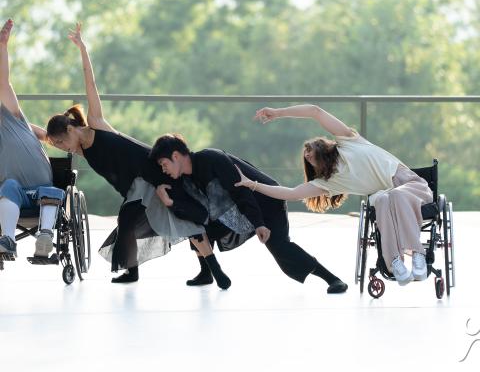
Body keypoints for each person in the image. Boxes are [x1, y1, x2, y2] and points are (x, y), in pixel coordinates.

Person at [46, 23, 230, 288]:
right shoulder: (81, 149)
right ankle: (132, 272)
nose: (63, 148)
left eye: (63, 141)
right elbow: (44, 135)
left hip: (155, 172)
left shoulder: (96, 122)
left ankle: (211, 270)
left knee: (184, 217)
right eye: (58, 146)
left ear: (72, 127)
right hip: (135, 187)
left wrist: (83, 49)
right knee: (127, 220)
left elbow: (91, 82)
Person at [234, 104, 432, 286]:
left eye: (309, 150)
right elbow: (291, 193)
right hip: (386, 199)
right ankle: (394, 262)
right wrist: (253, 184)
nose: (307, 155)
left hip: (411, 186)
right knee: (380, 199)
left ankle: (417, 254)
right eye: (306, 157)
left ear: (322, 146)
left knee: (393, 196)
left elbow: (315, 111)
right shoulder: (327, 183)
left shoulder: (349, 142)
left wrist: (277, 113)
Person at [150, 133, 348, 294]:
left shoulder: (211, 159)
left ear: (176, 156)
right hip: (238, 210)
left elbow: (241, 191)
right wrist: (170, 202)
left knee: (281, 248)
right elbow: (198, 214)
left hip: (267, 201)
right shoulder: (187, 178)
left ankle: (333, 279)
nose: (163, 169)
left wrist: (259, 223)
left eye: (164, 164)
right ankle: (206, 272)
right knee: (197, 228)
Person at [0, 19, 64, 259]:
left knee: (50, 191)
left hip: (41, 186)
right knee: (8, 188)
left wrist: (3, 47)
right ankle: (8, 239)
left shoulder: (12, 116)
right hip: (12, 189)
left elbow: (3, 82)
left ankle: (45, 236)